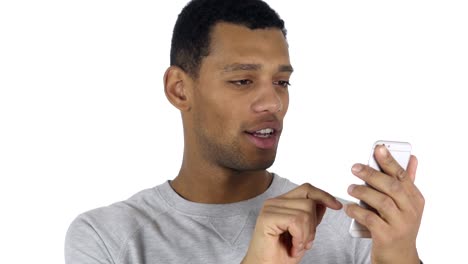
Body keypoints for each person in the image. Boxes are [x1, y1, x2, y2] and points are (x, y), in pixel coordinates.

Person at [65, 0, 425, 263]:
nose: (273, 103)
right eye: (242, 80)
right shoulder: (107, 238)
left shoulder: (352, 231)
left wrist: (400, 255)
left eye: (282, 82)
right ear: (179, 89)